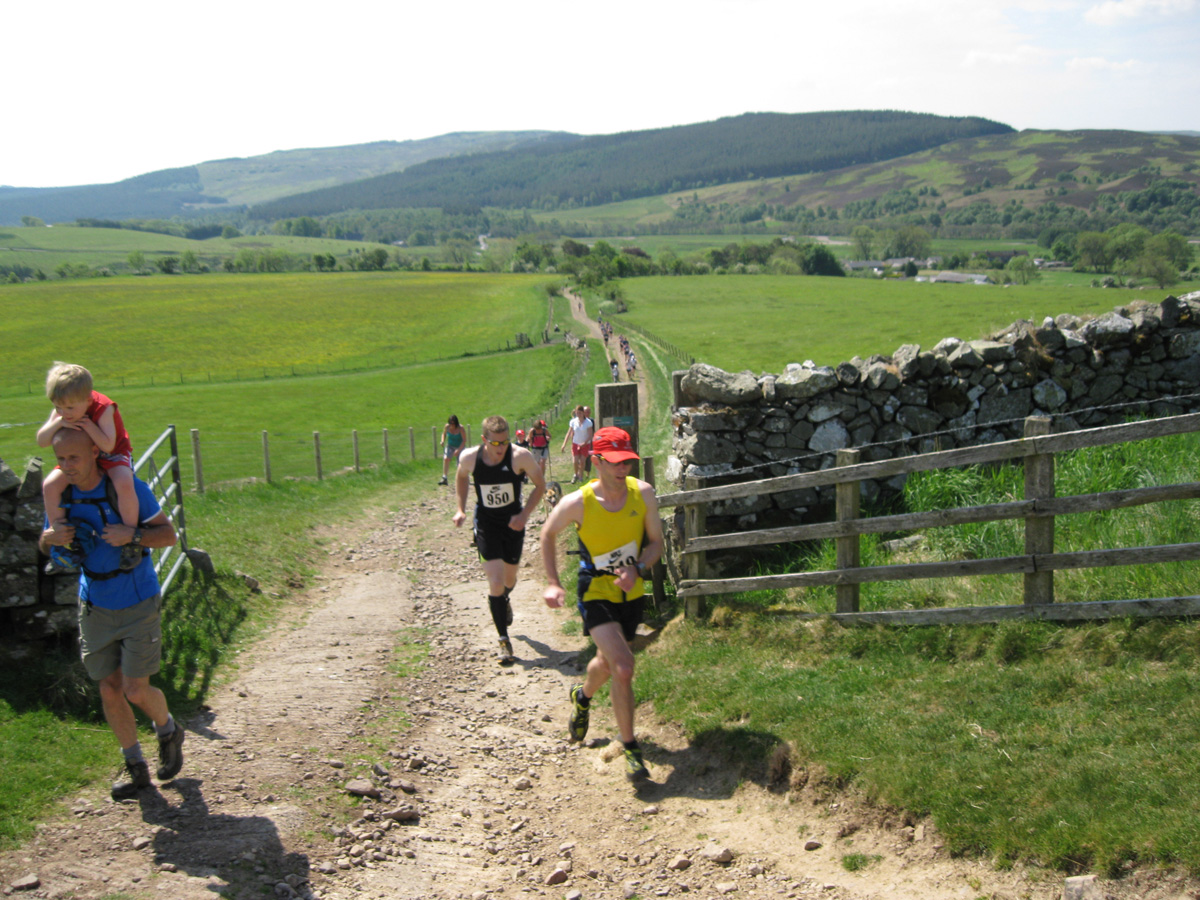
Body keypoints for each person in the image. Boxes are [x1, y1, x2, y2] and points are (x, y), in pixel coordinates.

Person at [38, 427, 184, 801]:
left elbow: (168, 536)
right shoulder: (62, 496)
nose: (67, 467)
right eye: (60, 460)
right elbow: (46, 542)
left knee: (136, 689)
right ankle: (135, 767)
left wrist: (132, 536)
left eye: (74, 458)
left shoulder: (127, 488)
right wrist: (48, 540)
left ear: (93, 452)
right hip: (94, 604)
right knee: (109, 687)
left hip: (138, 601)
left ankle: (167, 730)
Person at [540, 427, 663, 782]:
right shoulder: (577, 502)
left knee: (606, 663)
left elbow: (656, 543)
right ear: (596, 462)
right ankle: (631, 748)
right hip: (594, 590)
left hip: (630, 591)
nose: (622, 469)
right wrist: (552, 582)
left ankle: (582, 695)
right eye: (614, 462)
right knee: (623, 666)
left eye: (627, 461)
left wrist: (638, 568)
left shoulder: (644, 495)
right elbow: (547, 534)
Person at [453, 415, 546, 664]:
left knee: (509, 579)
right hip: (486, 523)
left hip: (513, 523)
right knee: (495, 583)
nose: (501, 448)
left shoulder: (520, 457)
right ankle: (503, 640)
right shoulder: (470, 458)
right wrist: (461, 509)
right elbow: (461, 477)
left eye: (505, 442)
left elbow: (540, 485)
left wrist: (524, 514)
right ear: (484, 440)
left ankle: (504, 599)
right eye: (495, 444)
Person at [37, 363, 141, 574]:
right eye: (58, 407)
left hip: (112, 454)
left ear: (87, 400)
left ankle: (131, 538)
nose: (64, 412)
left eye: (69, 408)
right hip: (82, 457)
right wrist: (58, 423)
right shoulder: (66, 408)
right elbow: (42, 440)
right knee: (50, 485)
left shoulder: (104, 407)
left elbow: (108, 445)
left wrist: (88, 426)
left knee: (123, 482)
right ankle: (61, 538)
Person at [559, 405, 594, 484]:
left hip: (585, 444)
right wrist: (564, 444)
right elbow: (569, 433)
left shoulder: (588, 422)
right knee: (575, 461)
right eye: (577, 413)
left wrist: (584, 443)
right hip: (575, 443)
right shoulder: (573, 422)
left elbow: (590, 435)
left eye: (580, 413)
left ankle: (581, 476)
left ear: (583, 413)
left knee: (582, 461)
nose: (578, 414)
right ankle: (575, 474)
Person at [438, 414, 465, 485]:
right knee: (446, 458)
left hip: (459, 446)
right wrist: (442, 441)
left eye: (453, 423)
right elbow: (443, 434)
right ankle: (444, 478)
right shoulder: (447, 427)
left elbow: (464, 440)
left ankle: (461, 479)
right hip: (450, 446)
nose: (451, 425)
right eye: (450, 423)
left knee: (459, 464)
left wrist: (458, 450)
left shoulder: (461, 428)